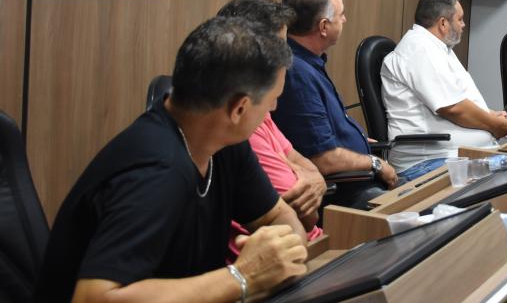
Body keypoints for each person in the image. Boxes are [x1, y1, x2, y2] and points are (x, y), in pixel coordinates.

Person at [36, 17, 308, 302]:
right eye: (273, 98)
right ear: (239, 109)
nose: (273, 107)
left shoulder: (224, 144)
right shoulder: (157, 171)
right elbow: (92, 298)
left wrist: (284, 251)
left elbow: (278, 215)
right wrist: (243, 276)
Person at [273, 0, 399, 210]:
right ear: (323, 27)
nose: (344, 19)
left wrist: (356, 137)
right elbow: (324, 159)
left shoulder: (309, 62)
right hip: (346, 195)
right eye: (341, 14)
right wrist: (375, 163)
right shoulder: (298, 74)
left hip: (359, 182)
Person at [216, 0, 326, 249]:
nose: (288, 59)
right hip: (294, 252)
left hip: (305, 246)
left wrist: (311, 175)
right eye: (281, 48)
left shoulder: (259, 109)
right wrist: (305, 174)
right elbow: (307, 215)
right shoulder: (241, 125)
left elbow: (297, 158)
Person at [381, 0, 507, 179]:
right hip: (427, 162)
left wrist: (490, 115)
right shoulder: (419, 50)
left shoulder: (438, 48)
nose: (463, 25)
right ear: (443, 23)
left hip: (453, 156)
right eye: (460, 19)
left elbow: (459, 97)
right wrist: (494, 125)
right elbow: (453, 108)